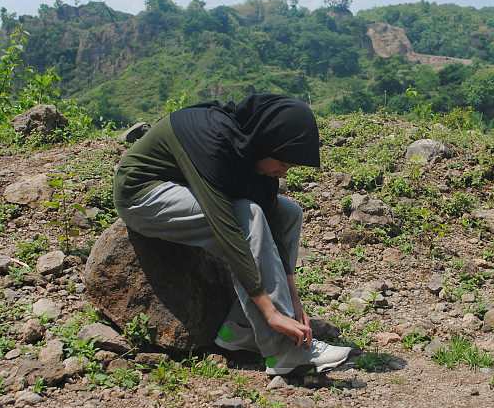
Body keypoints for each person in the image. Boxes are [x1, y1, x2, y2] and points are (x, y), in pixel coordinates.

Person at [113, 94, 351, 375]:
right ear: (268, 141)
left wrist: (295, 299)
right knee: (247, 214)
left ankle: (238, 331)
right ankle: (283, 350)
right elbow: (230, 231)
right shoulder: (213, 140)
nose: (283, 172)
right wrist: (272, 314)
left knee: (290, 213)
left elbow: (275, 225)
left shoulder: (252, 149)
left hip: (185, 184)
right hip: (142, 193)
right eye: (283, 163)